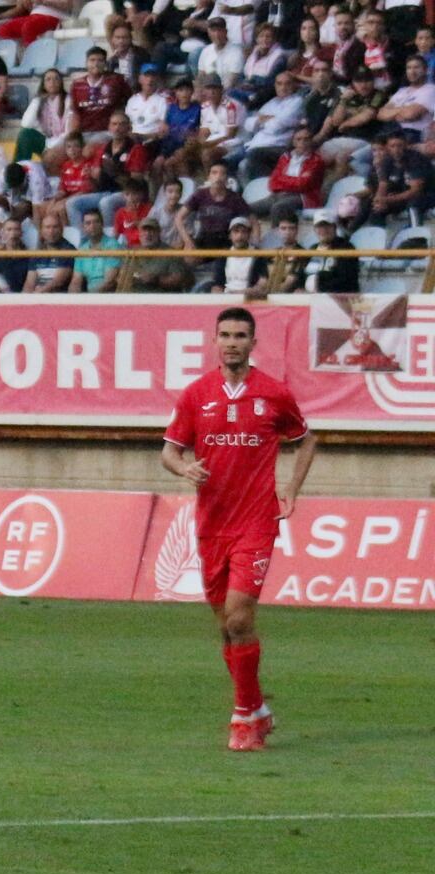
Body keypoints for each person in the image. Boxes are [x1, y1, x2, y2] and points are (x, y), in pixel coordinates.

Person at [160, 307, 317, 751]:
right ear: (214, 341)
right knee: (226, 627)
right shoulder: (196, 395)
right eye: (225, 334)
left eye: (240, 335)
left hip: (256, 522)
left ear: (254, 342)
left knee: (239, 616)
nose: (232, 342)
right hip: (212, 525)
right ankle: (256, 708)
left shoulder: (273, 393)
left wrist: (291, 488)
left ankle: (241, 717)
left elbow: (307, 438)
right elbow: (169, 451)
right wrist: (184, 469)